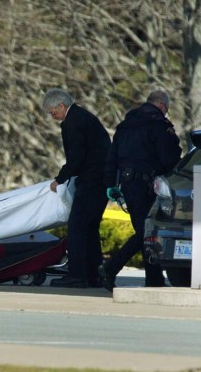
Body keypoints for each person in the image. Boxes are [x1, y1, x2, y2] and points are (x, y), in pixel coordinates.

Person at [100, 89, 182, 291]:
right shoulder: (159, 125)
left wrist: (110, 184)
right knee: (147, 232)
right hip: (148, 186)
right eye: (166, 109)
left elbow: (112, 157)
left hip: (127, 185)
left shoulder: (125, 125)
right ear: (162, 105)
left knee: (145, 232)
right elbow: (169, 157)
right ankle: (111, 268)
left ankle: (153, 279)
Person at [43, 88, 111, 288]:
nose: (52, 116)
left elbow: (76, 158)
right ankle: (94, 274)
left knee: (77, 227)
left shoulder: (72, 122)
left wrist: (60, 179)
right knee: (90, 227)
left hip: (91, 179)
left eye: (52, 111)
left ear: (62, 106)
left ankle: (78, 275)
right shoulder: (85, 117)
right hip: (102, 178)